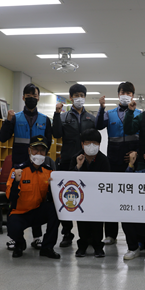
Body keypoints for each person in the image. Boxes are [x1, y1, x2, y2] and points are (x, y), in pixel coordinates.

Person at [0, 83, 53, 252]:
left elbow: (49, 142)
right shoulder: (15, 118)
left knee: (38, 198)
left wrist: (40, 157)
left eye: (34, 95)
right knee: (16, 200)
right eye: (28, 96)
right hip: (19, 166)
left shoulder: (45, 120)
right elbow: (3, 138)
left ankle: (37, 238)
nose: (31, 98)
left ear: (38, 98)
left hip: (38, 165)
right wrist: (8, 121)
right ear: (23, 97)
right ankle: (15, 238)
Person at [96, 81, 141, 245]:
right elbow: (98, 125)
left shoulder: (139, 113)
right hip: (113, 160)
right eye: (123, 92)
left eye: (129, 93)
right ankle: (110, 234)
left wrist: (137, 153)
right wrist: (101, 108)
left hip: (133, 160)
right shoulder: (109, 113)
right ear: (118, 94)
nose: (126, 95)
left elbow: (143, 137)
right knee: (112, 197)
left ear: (133, 96)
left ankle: (136, 235)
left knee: (133, 197)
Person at [53, 83, 96, 248]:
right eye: (76, 95)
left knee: (88, 197)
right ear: (71, 97)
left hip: (87, 161)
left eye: (82, 95)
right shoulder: (63, 117)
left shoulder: (91, 118)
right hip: (67, 161)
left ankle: (89, 235)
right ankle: (67, 233)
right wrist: (57, 114)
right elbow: (57, 133)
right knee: (66, 196)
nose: (79, 98)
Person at [5, 135, 60, 259]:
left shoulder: (49, 172)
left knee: (55, 210)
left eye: (42, 150)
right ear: (29, 150)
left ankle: (47, 247)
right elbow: (10, 197)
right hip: (20, 213)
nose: (39, 153)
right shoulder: (18, 170)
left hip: (38, 211)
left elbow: (54, 197)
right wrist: (16, 182)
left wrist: (52, 186)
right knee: (13, 227)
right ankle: (20, 244)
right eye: (35, 150)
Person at [70, 128, 110, 258]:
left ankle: (98, 246)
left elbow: (107, 180)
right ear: (82, 144)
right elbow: (70, 180)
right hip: (81, 199)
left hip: (97, 199)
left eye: (95, 143)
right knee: (82, 224)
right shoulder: (76, 158)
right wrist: (78, 166)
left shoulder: (103, 160)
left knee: (97, 224)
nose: (91, 146)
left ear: (99, 144)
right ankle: (82, 246)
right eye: (88, 143)